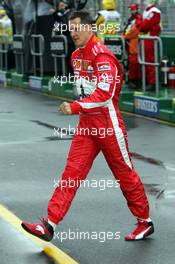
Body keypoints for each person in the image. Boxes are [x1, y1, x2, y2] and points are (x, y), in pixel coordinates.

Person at [21, 10, 154, 242]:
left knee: (125, 174)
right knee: (71, 174)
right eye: (70, 29)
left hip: (108, 126)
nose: (73, 33)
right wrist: (80, 108)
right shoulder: (75, 56)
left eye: (77, 28)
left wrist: (74, 107)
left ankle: (145, 221)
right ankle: (49, 224)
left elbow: (105, 94)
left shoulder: (103, 56)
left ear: (90, 28)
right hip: (87, 127)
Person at [129, 0, 161, 90]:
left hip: (150, 39)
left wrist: (142, 26)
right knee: (145, 61)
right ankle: (148, 81)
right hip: (145, 38)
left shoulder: (154, 12)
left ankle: (153, 82)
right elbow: (141, 25)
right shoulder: (147, 12)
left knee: (150, 60)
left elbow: (144, 26)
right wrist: (142, 26)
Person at [123, 4, 142, 89]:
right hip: (131, 44)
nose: (131, 11)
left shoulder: (138, 19)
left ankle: (133, 80)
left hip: (135, 45)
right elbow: (128, 30)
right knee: (132, 63)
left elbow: (133, 31)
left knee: (134, 64)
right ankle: (133, 80)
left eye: (133, 9)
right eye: (131, 9)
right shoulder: (131, 19)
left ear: (137, 9)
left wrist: (125, 36)